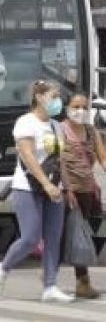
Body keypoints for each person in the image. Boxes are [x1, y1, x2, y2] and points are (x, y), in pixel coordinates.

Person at [0, 80, 73, 303]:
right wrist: (45, 183)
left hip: (55, 189)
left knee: (53, 238)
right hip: (28, 187)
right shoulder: (25, 123)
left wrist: (66, 187)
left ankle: (50, 285)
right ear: (39, 97)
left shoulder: (57, 126)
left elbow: (60, 160)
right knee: (30, 237)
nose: (58, 101)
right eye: (54, 96)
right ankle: (3, 267)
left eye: (58, 97)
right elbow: (28, 157)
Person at [60, 93, 106, 299]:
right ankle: (50, 276)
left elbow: (102, 156)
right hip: (63, 191)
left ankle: (82, 283)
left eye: (84, 107)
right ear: (67, 108)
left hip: (86, 191)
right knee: (60, 235)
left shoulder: (91, 131)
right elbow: (55, 159)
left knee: (81, 235)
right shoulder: (59, 130)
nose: (80, 110)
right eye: (76, 106)